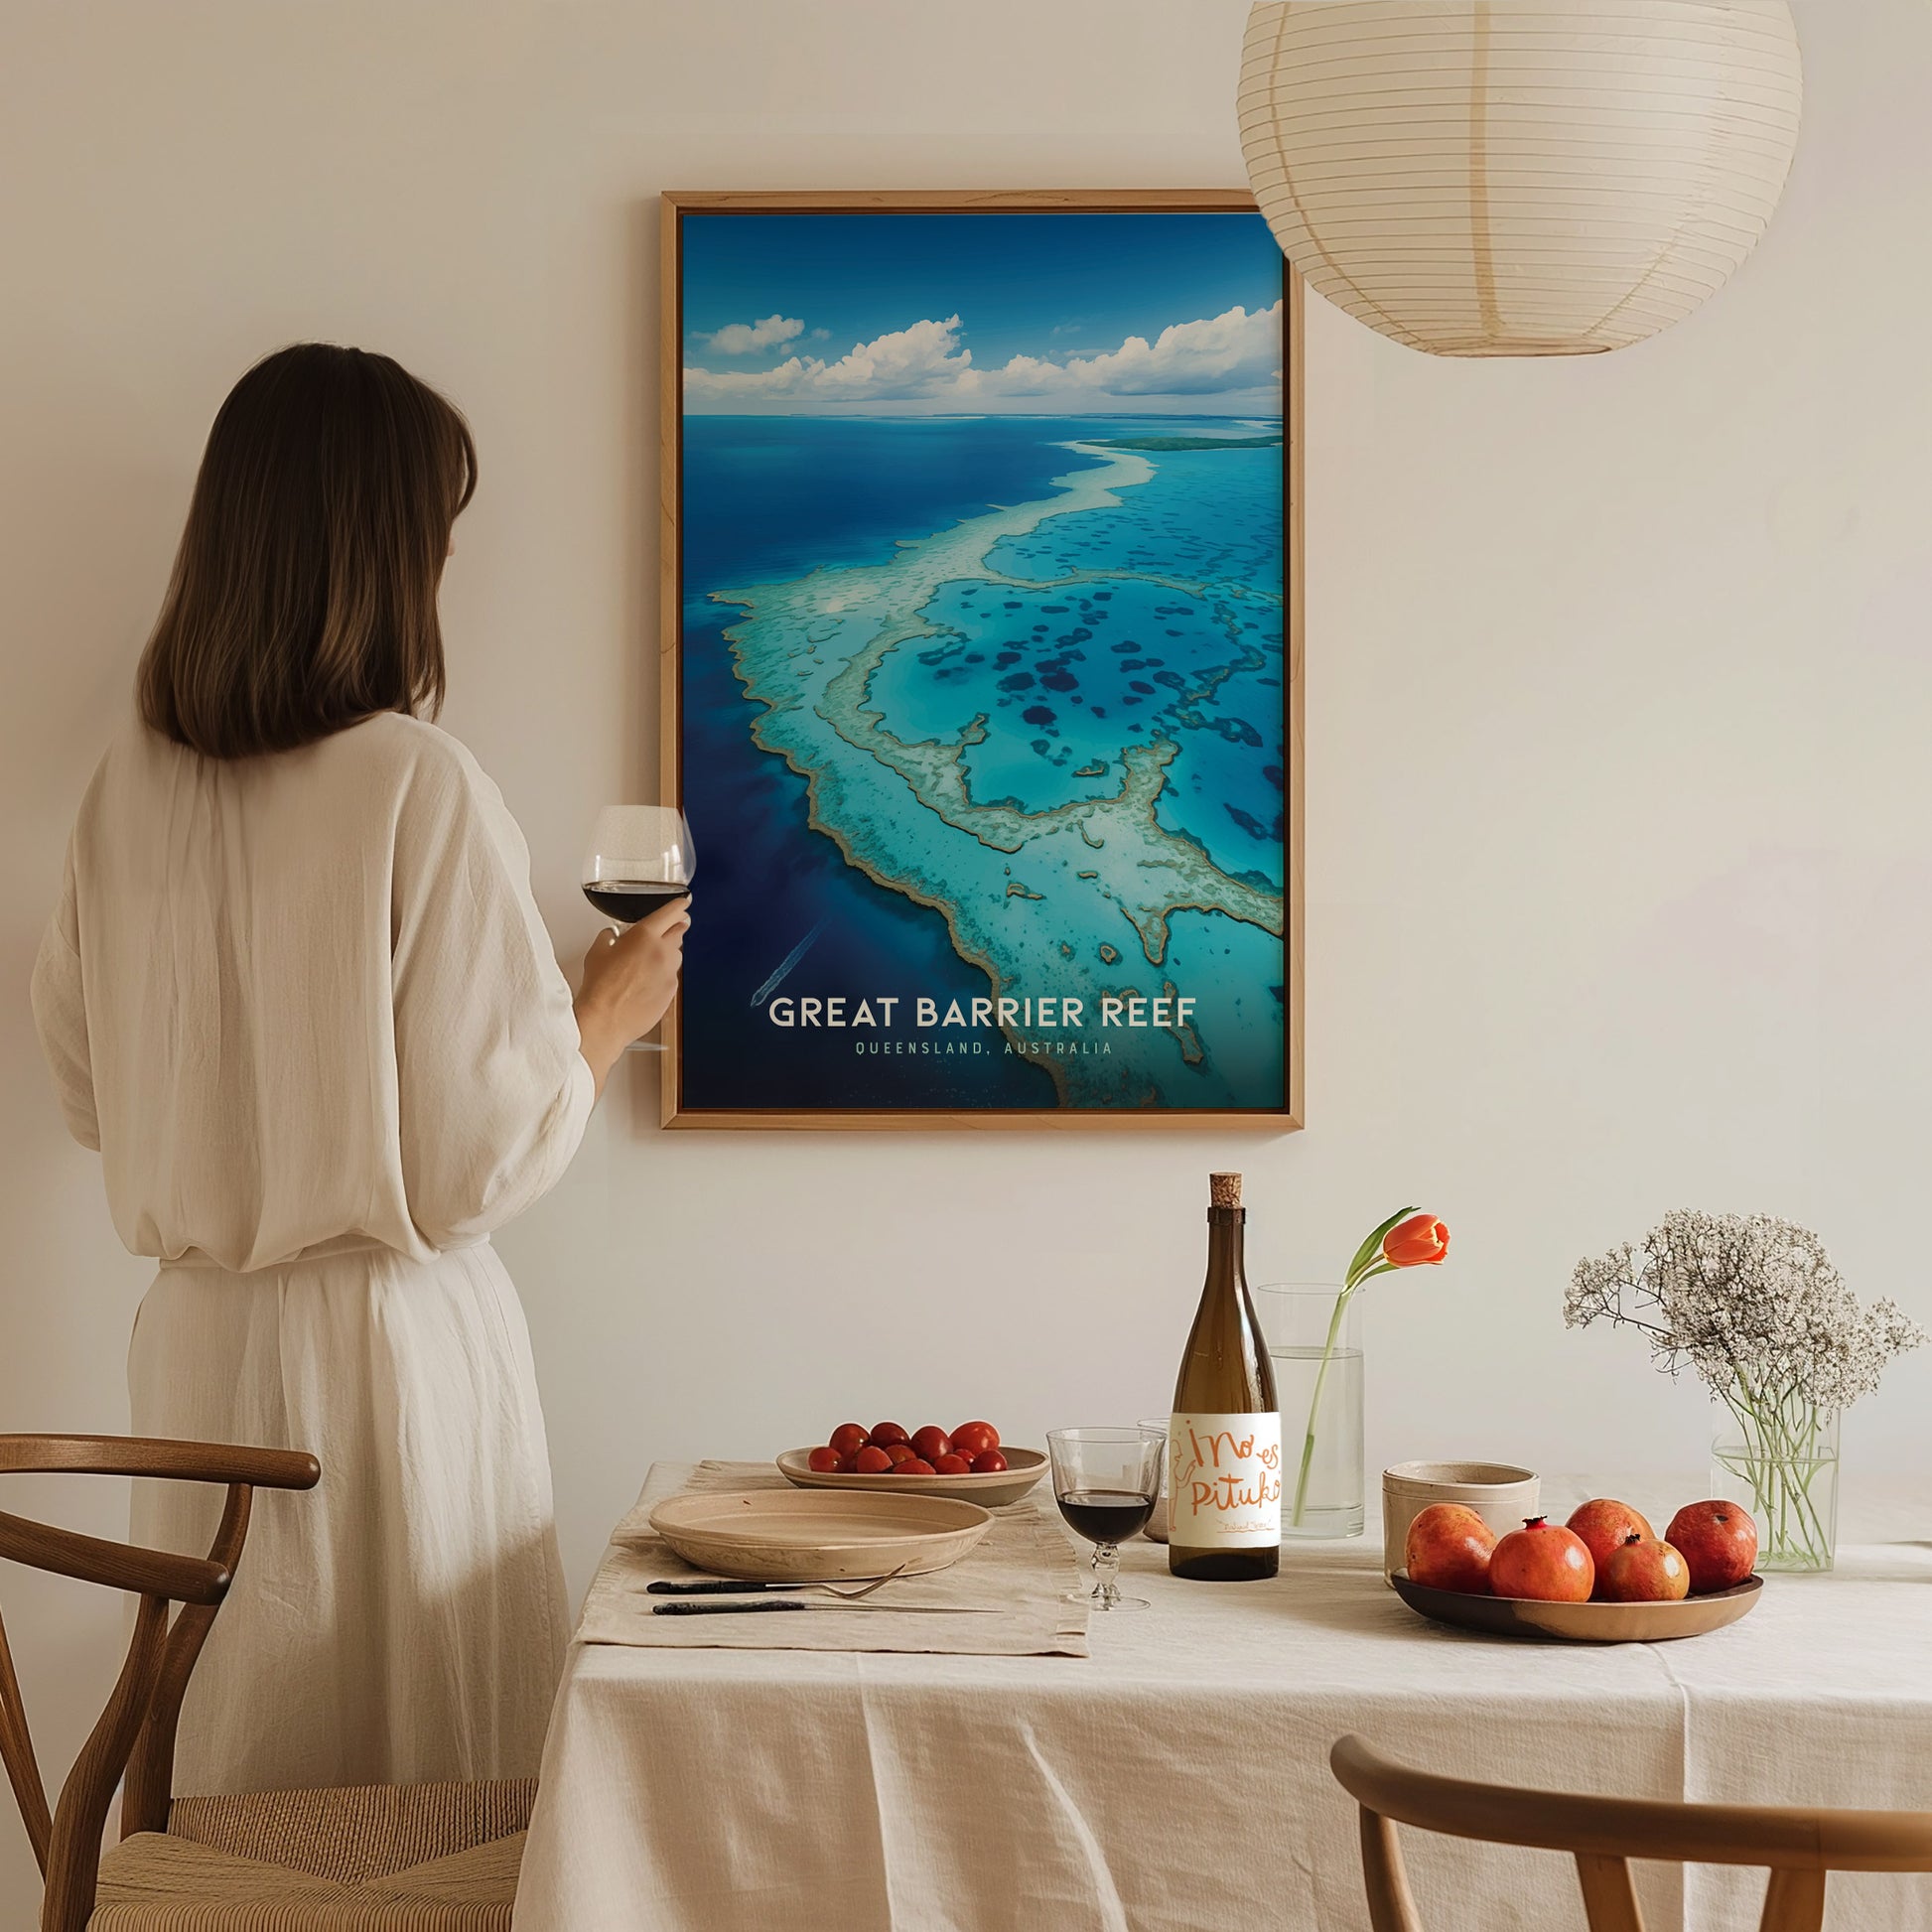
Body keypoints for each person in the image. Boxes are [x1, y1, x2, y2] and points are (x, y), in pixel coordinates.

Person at [29, 343, 683, 1793]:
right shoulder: (414, 780)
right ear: (385, 552)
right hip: (387, 1362)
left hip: (197, 1351)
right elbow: (471, 1165)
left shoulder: (123, 791)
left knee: (239, 1774)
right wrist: (602, 1013)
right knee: (419, 1797)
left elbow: (87, 1093)